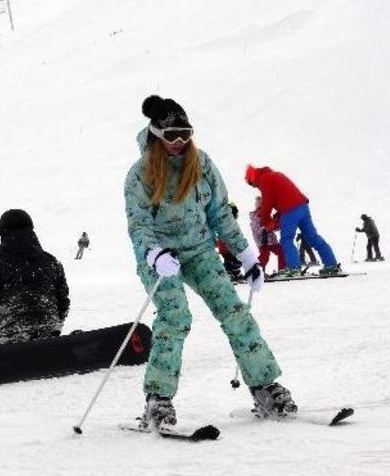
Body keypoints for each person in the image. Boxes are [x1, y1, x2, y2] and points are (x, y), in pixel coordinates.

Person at [124, 95, 296, 430]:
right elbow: (138, 223)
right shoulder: (140, 174)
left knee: (234, 311)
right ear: (157, 135)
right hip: (160, 257)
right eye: (171, 135)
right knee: (175, 316)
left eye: (185, 134)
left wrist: (246, 255)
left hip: (200, 250)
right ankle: (158, 400)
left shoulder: (201, 164)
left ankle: (263, 385)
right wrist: (154, 254)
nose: (179, 143)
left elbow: (220, 214)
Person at [0, 209, 70, 344]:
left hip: (10, 337)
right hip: (48, 336)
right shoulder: (51, 261)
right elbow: (63, 300)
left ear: (2, 232)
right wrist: (55, 328)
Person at [245, 164, 340, 276]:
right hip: (302, 206)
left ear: (252, 178)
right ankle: (331, 265)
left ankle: (294, 268)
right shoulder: (274, 175)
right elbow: (284, 197)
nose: (254, 186)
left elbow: (267, 203)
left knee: (286, 239)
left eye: (251, 184)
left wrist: (266, 221)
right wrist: (276, 218)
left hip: (290, 209)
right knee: (313, 237)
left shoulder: (263, 180)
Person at [249, 196, 286, 273]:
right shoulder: (255, 217)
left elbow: (273, 227)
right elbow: (257, 231)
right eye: (261, 208)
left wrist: (277, 224)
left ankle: (282, 269)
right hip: (263, 241)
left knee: (281, 252)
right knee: (265, 256)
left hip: (272, 240)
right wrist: (268, 227)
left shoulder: (266, 215)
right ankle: (257, 272)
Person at [216, 203, 243, 280]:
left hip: (225, 248)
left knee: (232, 261)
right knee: (234, 261)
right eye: (236, 213)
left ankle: (235, 273)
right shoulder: (229, 224)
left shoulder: (225, 222)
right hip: (228, 248)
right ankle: (227, 273)